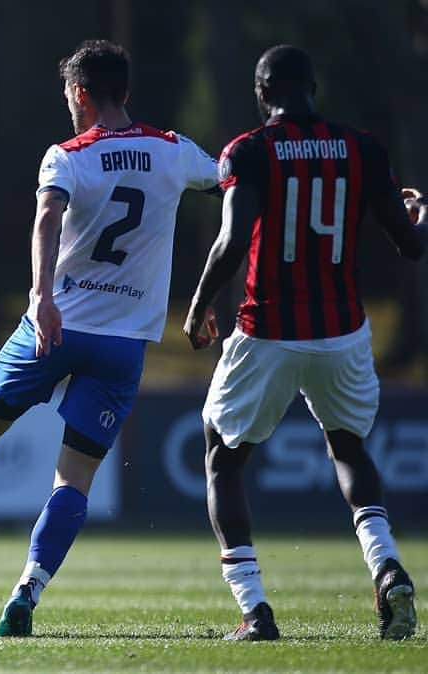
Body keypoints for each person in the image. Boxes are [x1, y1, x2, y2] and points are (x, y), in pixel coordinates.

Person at [0, 40, 220, 637]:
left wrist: (42, 297)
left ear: (80, 93)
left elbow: (47, 215)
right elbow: (239, 183)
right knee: (74, 478)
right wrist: (214, 296)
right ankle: (27, 590)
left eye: (67, 96)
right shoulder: (174, 152)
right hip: (123, 342)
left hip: (54, 327)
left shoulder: (68, 155)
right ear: (125, 92)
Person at [184, 45, 426, 641]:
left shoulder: (248, 150)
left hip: (267, 329)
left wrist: (196, 309)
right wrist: (423, 213)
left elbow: (233, 238)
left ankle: (255, 609)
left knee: (222, 456)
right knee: (348, 448)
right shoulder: (362, 147)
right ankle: (386, 564)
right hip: (342, 331)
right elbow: (411, 245)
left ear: (262, 93)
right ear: (313, 87)